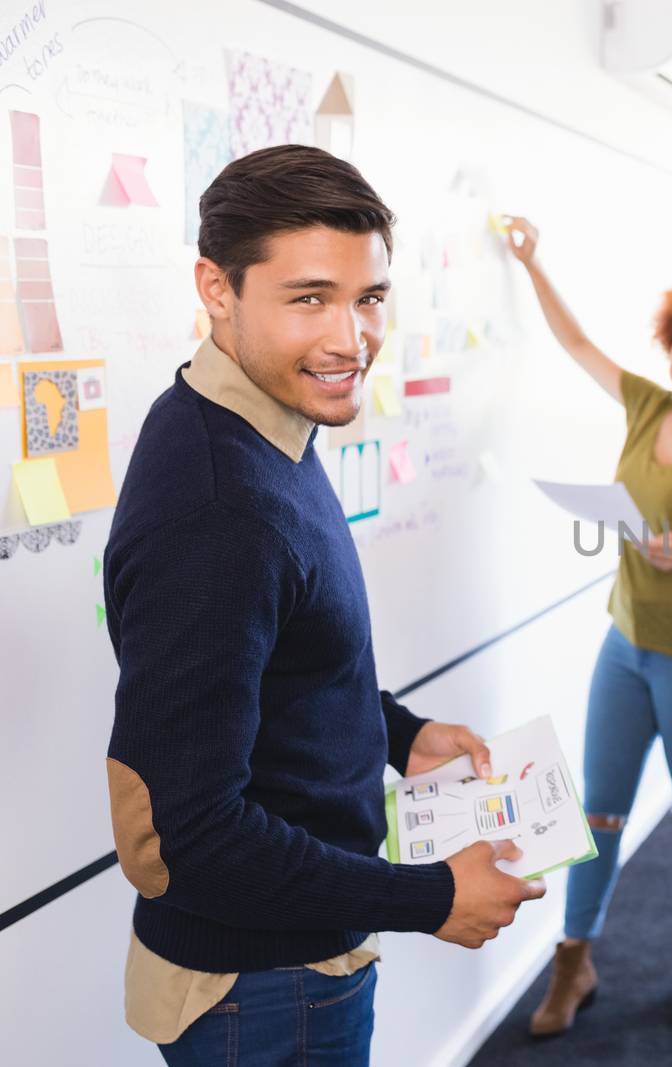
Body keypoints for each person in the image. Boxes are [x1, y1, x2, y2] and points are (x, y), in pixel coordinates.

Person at [104, 146, 543, 1067]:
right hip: (263, 991)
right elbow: (194, 834)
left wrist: (397, 732)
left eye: (370, 297)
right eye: (309, 298)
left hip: (289, 961)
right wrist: (428, 898)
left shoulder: (256, 420)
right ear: (215, 288)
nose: (352, 339)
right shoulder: (222, 504)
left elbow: (275, 662)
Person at [501, 217, 672, 1035]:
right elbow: (577, 342)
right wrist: (532, 262)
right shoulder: (644, 404)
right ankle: (573, 958)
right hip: (625, 646)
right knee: (598, 814)